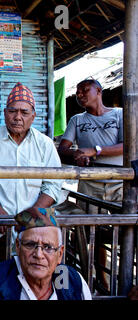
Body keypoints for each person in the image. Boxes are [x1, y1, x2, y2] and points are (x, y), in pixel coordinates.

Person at [0, 82, 62, 273]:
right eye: (13, 111)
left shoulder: (45, 144)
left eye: (24, 112)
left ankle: (35, 286)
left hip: (38, 209)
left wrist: (32, 213)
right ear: (5, 113)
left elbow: (53, 184)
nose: (17, 117)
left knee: (52, 244)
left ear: (33, 116)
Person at [57, 79, 123, 290]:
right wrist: (76, 155)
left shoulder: (119, 115)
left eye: (85, 90)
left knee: (127, 230)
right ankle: (98, 280)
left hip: (121, 182)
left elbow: (128, 144)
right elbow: (62, 149)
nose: (80, 95)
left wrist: (95, 150)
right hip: (90, 183)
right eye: (78, 92)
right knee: (93, 233)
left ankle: (124, 283)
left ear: (99, 91)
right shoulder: (77, 120)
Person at [0, 207, 92, 300]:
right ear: (18, 247)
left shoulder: (73, 281)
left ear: (60, 254)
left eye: (48, 247)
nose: (39, 254)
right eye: (30, 244)